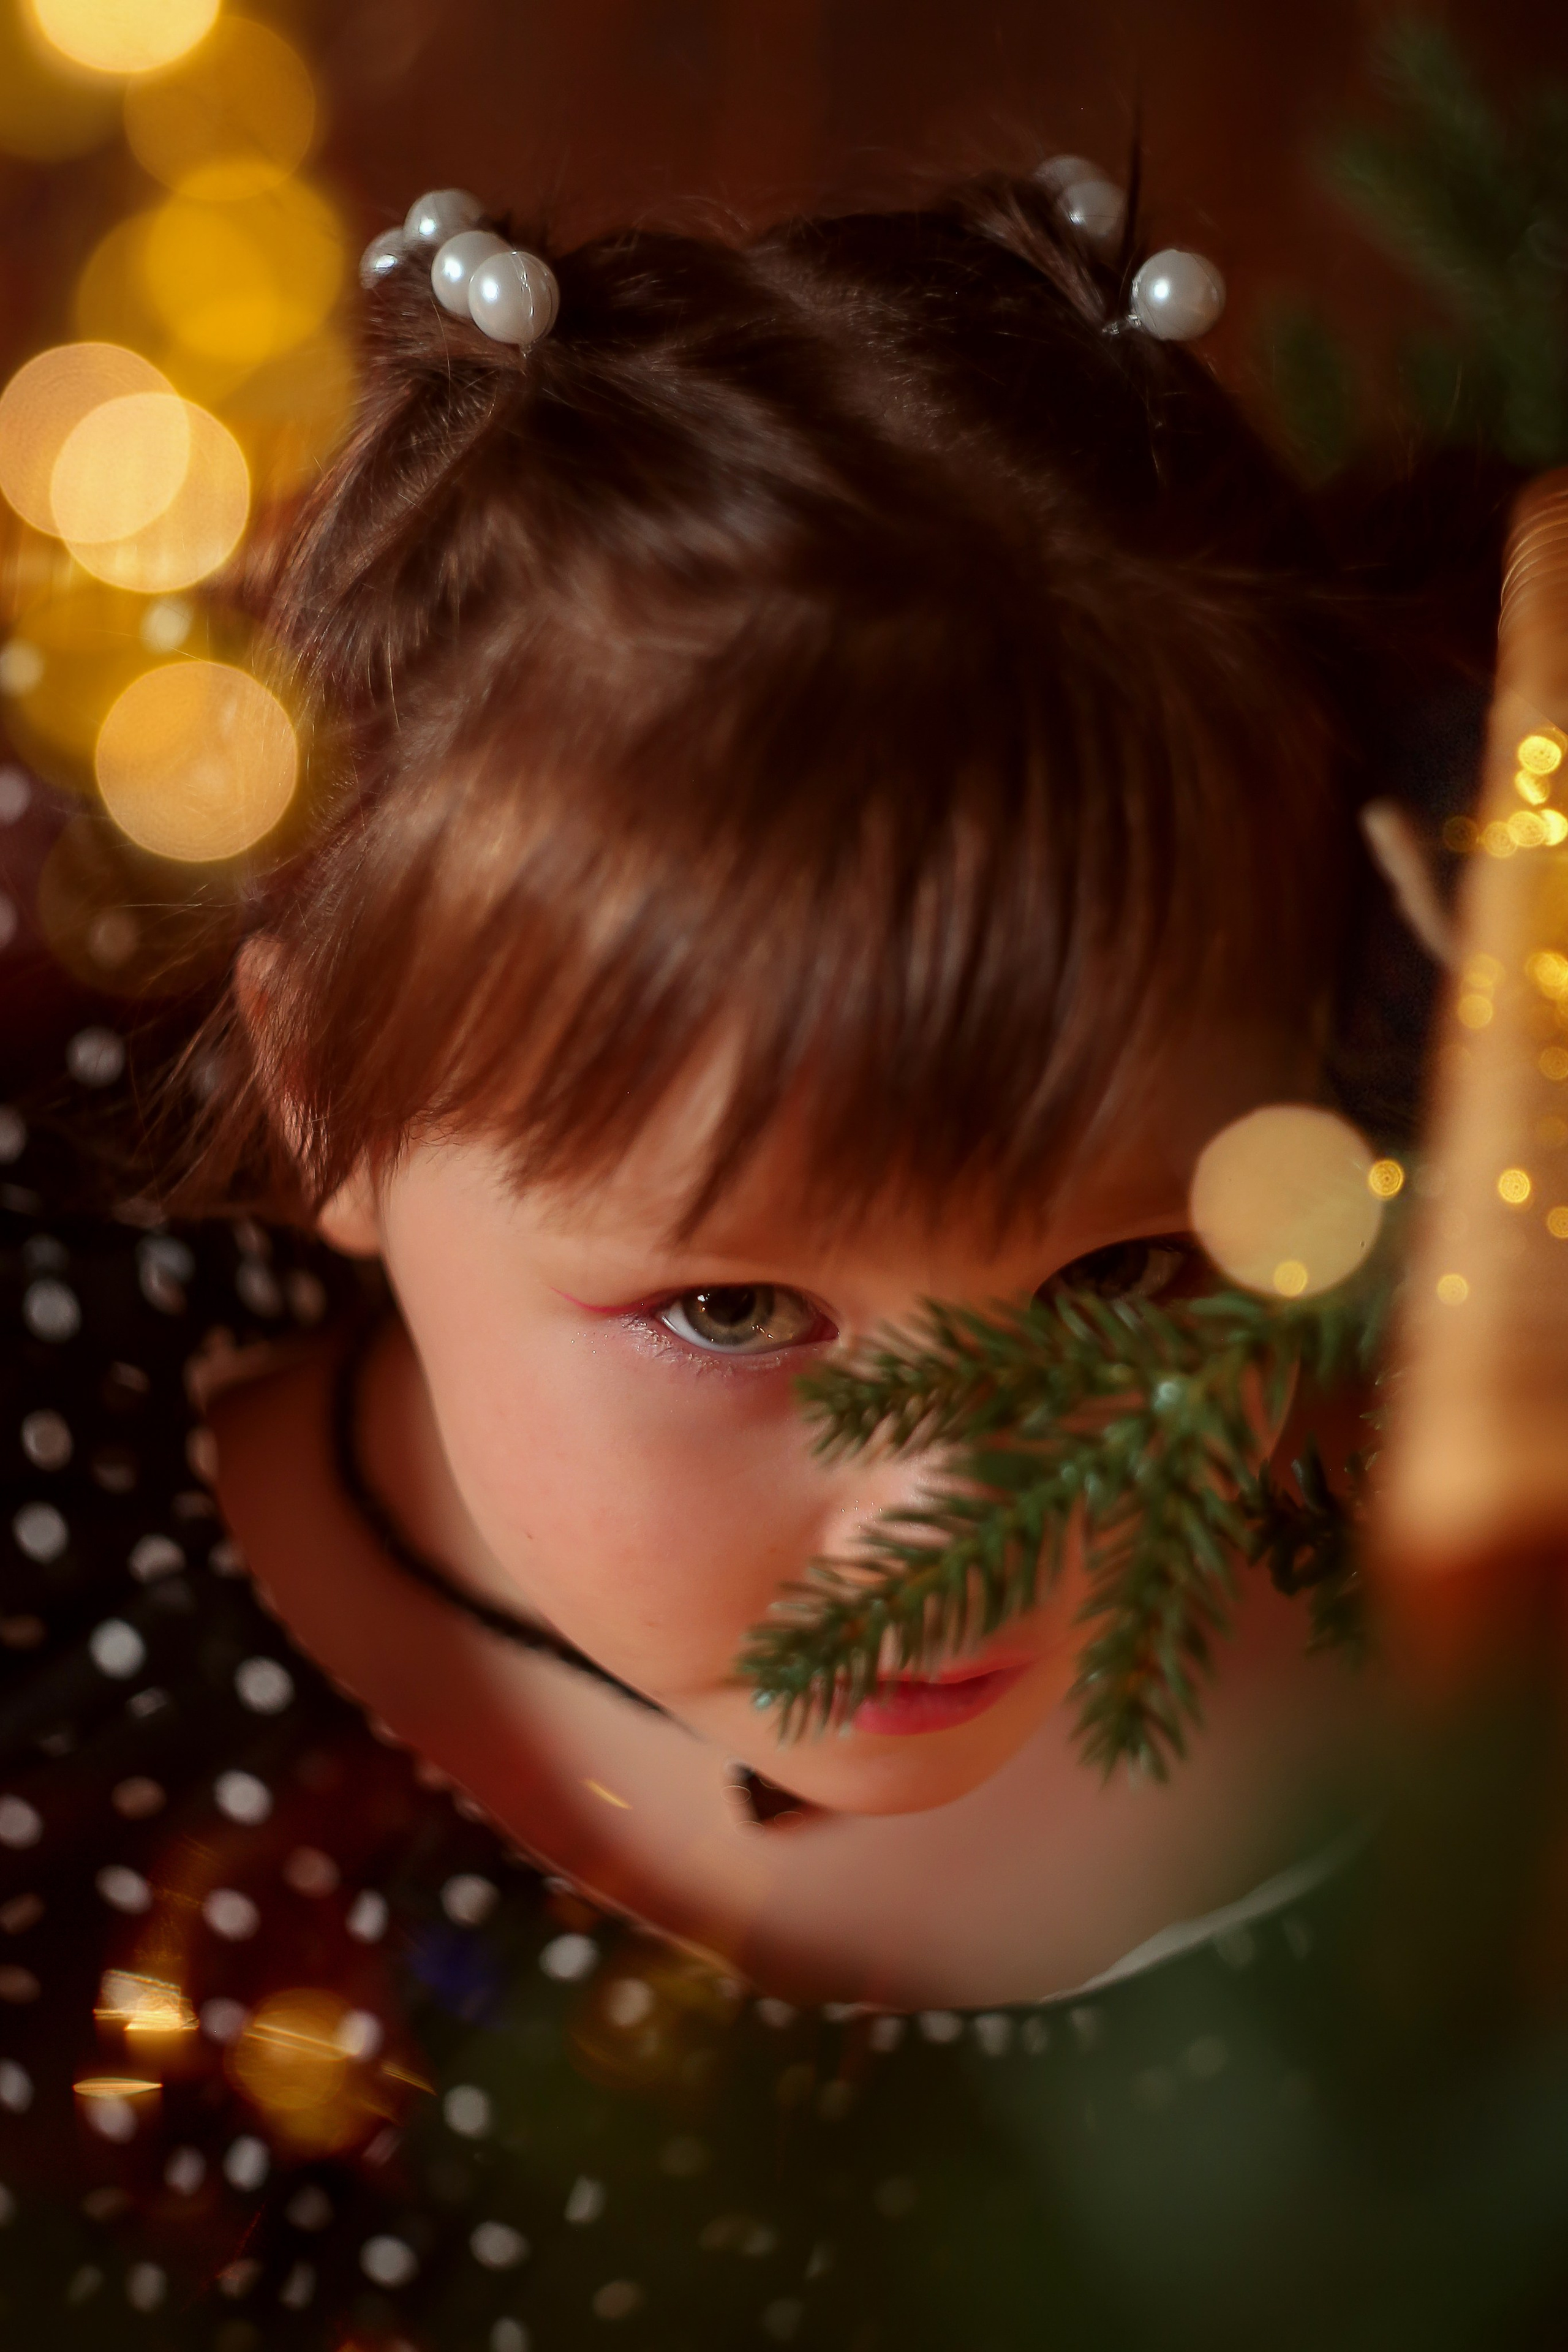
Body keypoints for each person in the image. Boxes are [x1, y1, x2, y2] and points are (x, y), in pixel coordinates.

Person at [0, 167, 1515, 2348]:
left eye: (1120, 1281)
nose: (963, 1523)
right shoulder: (95, 1769)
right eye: (732, 1310)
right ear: (322, 1090)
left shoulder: (1469, 1739)